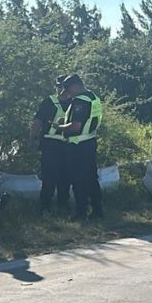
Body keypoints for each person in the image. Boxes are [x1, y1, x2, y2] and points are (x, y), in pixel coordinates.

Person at [53, 74, 103, 220]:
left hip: (78, 145)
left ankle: (81, 213)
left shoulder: (80, 101)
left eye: (68, 89)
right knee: (92, 179)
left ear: (76, 86)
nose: (67, 93)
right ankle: (97, 211)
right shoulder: (93, 97)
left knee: (79, 180)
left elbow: (75, 126)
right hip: (90, 141)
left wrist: (60, 127)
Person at [28, 77, 72, 215]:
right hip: (56, 144)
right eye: (59, 87)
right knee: (55, 177)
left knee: (59, 177)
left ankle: (55, 206)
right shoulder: (53, 102)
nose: (61, 89)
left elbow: (37, 122)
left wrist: (32, 138)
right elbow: (37, 122)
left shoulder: (70, 102)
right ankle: (52, 206)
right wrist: (32, 137)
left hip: (60, 144)